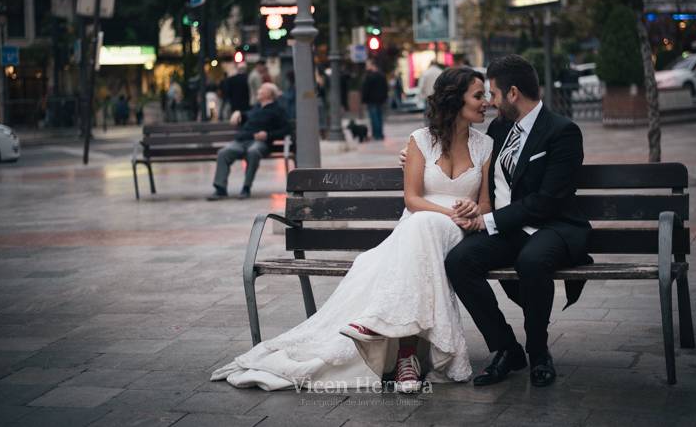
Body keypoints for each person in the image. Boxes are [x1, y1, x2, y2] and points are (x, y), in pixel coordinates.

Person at [211, 67, 493, 392]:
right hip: (420, 225)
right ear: (455, 99)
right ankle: (404, 354)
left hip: (457, 232)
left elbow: (486, 204)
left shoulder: (485, 145)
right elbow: (413, 200)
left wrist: (474, 211)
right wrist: (447, 211)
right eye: (478, 95)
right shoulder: (420, 141)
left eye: (485, 94)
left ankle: (386, 329)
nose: (485, 102)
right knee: (422, 225)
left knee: (423, 229)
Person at [443, 54, 592, 388]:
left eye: (493, 94)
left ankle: (539, 352)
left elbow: (547, 201)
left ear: (512, 94)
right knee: (459, 261)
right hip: (508, 229)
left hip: (552, 226)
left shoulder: (563, 132)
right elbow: (460, 145)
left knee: (532, 260)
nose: (490, 103)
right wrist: (416, 151)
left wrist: (489, 222)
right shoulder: (499, 128)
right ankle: (507, 349)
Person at [207, 83, 290, 200]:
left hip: (260, 143)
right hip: (242, 140)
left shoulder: (278, 110)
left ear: (270, 94)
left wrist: (267, 135)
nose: (259, 91)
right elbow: (246, 115)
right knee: (223, 153)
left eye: (262, 90)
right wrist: (238, 113)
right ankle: (220, 189)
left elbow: (286, 129)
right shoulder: (256, 107)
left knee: (253, 152)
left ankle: (246, 188)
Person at [361, 59, 388, 140]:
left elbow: (365, 89)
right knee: (379, 117)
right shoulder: (381, 75)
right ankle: (380, 134)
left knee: (374, 118)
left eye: (367, 65)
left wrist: (364, 100)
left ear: (372, 65)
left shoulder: (369, 76)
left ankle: (376, 134)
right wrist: (384, 98)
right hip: (380, 100)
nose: (366, 67)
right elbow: (385, 88)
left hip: (371, 100)